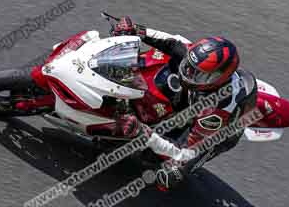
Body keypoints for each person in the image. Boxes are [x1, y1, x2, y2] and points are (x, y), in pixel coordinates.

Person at [108, 16, 258, 190]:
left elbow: (185, 151)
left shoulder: (215, 112)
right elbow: (172, 42)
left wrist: (143, 133)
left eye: (197, 74)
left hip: (210, 135)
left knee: (169, 173)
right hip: (195, 99)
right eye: (189, 66)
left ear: (217, 79)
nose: (188, 73)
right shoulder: (199, 60)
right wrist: (136, 30)